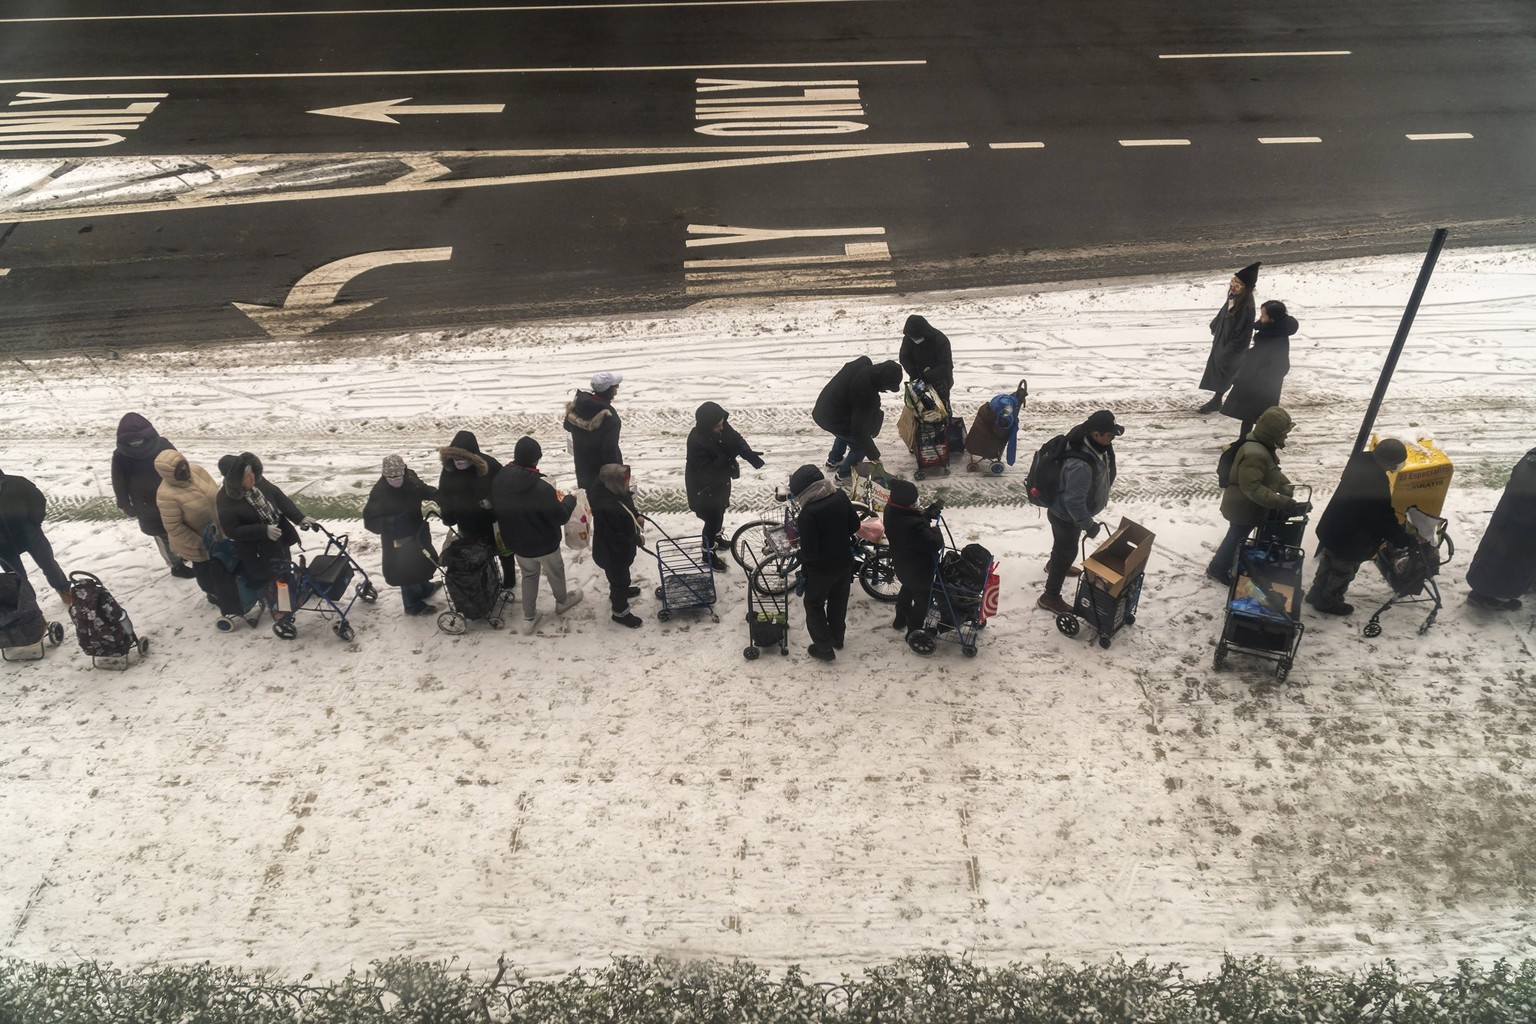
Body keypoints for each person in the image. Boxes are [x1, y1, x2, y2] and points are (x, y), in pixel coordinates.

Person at [1306, 438, 1413, 616]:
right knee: (1342, 572)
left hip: (1334, 526)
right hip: (1350, 537)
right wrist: (1401, 537)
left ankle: (1315, 593)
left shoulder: (1360, 461)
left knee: (1327, 562)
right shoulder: (1376, 482)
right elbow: (1381, 517)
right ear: (1387, 461)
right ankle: (1328, 602)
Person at [1205, 406, 1308, 585]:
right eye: (1284, 434)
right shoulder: (1255, 454)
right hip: (1243, 508)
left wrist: (1284, 484)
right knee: (1235, 538)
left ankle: (1224, 564)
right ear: (1272, 434)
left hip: (1244, 506)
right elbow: (1253, 489)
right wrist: (1283, 502)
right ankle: (1218, 568)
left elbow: (1270, 470)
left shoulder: (1260, 446)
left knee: (1236, 536)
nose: (1286, 437)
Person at [492, 436, 584, 635]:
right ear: (536, 460)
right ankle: (562, 602)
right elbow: (559, 517)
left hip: (518, 542)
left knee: (529, 575)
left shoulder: (500, 479)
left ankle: (529, 617)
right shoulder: (541, 488)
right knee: (555, 572)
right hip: (544, 544)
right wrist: (569, 500)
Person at [1037, 410, 1122, 617]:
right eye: (1109, 435)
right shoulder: (1081, 465)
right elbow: (1074, 503)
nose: (1112, 439)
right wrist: (1088, 525)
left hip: (1062, 513)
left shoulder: (1085, 437)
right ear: (1095, 434)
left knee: (1062, 548)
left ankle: (1055, 564)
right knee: (1067, 551)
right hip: (1066, 516)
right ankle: (1050, 596)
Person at [216, 452, 316, 626]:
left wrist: (299, 518)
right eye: (247, 476)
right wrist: (262, 530)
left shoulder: (259, 482)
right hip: (257, 549)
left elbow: (279, 497)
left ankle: (290, 594)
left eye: (252, 472)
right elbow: (232, 531)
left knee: (285, 566)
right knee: (271, 577)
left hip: (277, 538)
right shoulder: (225, 500)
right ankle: (280, 611)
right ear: (235, 480)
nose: (252, 477)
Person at [154, 450, 247, 629]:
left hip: (217, 531)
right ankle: (213, 593)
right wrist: (201, 543)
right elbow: (174, 527)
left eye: (184, 466)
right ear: (168, 474)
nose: (185, 471)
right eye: (179, 471)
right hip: (196, 542)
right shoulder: (166, 495)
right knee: (206, 570)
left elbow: (216, 493)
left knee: (225, 564)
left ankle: (233, 590)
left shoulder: (197, 471)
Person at [790, 463, 861, 661]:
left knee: (814, 605)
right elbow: (854, 525)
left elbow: (811, 553)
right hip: (845, 563)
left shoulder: (808, 513)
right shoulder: (839, 496)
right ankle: (837, 638)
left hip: (821, 571)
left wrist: (799, 556)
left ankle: (824, 647)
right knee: (839, 602)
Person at [111, 412, 194, 578]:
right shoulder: (161, 444)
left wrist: (125, 504)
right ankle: (180, 560)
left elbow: (118, 481)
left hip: (145, 503)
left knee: (165, 535)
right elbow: (181, 467)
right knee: (176, 529)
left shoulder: (121, 454)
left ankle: (178, 562)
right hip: (170, 497)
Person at [685, 402, 765, 571]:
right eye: (718, 426)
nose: (722, 428)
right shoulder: (696, 442)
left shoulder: (719, 426)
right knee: (712, 519)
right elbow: (707, 471)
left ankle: (716, 538)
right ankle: (708, 554)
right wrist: (729, 455)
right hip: (703, 489)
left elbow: (735, 438)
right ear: (707, 426)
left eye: (722, 424)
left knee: (720, 511)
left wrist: (747, 453)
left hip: (720, 483)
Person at [363, 455, 443, 617]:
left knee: (421, 560)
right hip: (397, 538)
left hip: (416, 530)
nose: (395, 480)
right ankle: (412, 604)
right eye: (391, 477)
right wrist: (392, 521)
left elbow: (423, 489)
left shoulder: (411, 479)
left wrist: (438, 496)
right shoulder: (380, 491)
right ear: (385, 475)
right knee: (406, 570)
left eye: (398, 476)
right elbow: (370, 521)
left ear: (404, 472)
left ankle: (425, 588)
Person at [438, 429, 514, 588]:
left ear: (472, 457)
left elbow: (504, 486)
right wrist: (447, 516)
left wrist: (491, 500)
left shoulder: (490, 465)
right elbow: (444, 495)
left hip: (492, 521)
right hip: (466, 523)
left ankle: (509, 579)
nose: (458, 462)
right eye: (455, 458)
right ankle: (486, 581)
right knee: (475, 554)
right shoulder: (448, 470)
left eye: (463, 459)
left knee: (503, 550)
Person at [812, 355, 903, 485]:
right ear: (882, 382)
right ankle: (843, 476)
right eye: (887, 387)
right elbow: (858, 431)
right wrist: (874, 456)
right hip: (832, 416)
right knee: (859, 445)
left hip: (824, 409)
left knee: (843, 431)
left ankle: (833, 461)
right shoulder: (866, 394)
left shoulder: (864, 363)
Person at [1465, 446, 1536, 611]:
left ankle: (1479, 591)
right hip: (1527, 527)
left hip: (1507, 515)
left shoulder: (1531, 456)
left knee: (1492, 556)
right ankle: (1498, 599)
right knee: (1515, 565)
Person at [1220, 300, 1296, 439]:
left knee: (1259, 417)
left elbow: (1281, 366)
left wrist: (1256, 376)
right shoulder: (1271, 329)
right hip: (1254, 380)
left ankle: (1253, 442)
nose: (1260, 318)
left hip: (1263, 386)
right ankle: (1243, 440)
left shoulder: (1278, 339)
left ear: (1272, 319)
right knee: (1248, 416)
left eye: (1263, 316)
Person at [883, 479, 945, 648]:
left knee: (907, 587)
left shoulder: (892, 510)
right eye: (913, 501)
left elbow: (912, 521)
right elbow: (933, 543)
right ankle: (914, 632)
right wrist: (936, 531)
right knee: (922, 600)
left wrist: (926, 514)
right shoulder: (910, 524)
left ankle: (900, 618)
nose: (915, 503)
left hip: (903, 565)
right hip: (918, 569)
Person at [0, 466, 71, 606]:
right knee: (16, 578)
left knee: (48, 564)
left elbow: (38, 500)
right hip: (3, 545)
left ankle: (63, 589)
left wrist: (33, 522)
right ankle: (31, 607)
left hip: (30, 535)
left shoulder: (18, 483)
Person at [589, 463, 646, 628]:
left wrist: (636, 515)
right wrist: (637, 539)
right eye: (625, 483)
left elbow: (626, 500)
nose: (628, 485)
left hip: (614, 551)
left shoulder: (611, 490)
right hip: (612, 552)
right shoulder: (609, 508)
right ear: (613, 484)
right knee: (620, 580)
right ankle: (620, 612)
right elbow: (618, 538)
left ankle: (619, 591)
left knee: (619, 577)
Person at [1198, 263, 1259, 414]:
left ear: (1247, 288)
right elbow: (1223, 313)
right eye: (1232, 282)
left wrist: (1229, 350)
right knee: (1226, 373)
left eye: (1238, 285)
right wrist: (1214, 325)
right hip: (1222, 341)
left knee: (1226, 373)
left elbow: (1245, 335)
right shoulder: (1234, 297)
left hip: (1231, 347)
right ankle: (1236, 396)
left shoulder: (1247, 308)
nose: (1233, 286)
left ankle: (1217, 401)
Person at [564, 371, 624, 491]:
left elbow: (567, 426)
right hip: (601, 477)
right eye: (616, 386)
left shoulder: (579, 404)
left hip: (582, 469)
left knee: (588, 503)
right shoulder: (611, 419)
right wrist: (617, 480)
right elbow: (609, 452)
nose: (617, 389)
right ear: (610, 391)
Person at [899, 314, 954, 411]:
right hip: (917, 381)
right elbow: (904, 358)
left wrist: (926, 377)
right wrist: (914, 373)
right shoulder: (908, 338)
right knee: (919, 411)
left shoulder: (940, 340)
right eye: (913, 338)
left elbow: (946, 365)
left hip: (939, 382)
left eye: (917, 337)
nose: (915, 340)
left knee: (941, 411)